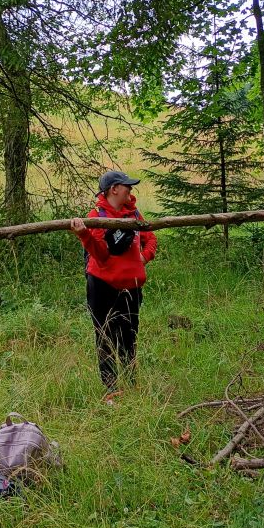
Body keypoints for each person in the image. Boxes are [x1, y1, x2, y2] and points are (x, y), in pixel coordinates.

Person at [70, 170, 157, 402]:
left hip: (132, 287)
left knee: (129, 336)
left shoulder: (134, 213)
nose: (131, 189)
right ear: (113, 189)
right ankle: (111, 390)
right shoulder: (96, 216)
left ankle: (131, 384)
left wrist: (144, 257)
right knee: (105, 337)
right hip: (103, 287)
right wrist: (84, 235)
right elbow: (101, 256)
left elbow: (150, 238)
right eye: (126, 185)